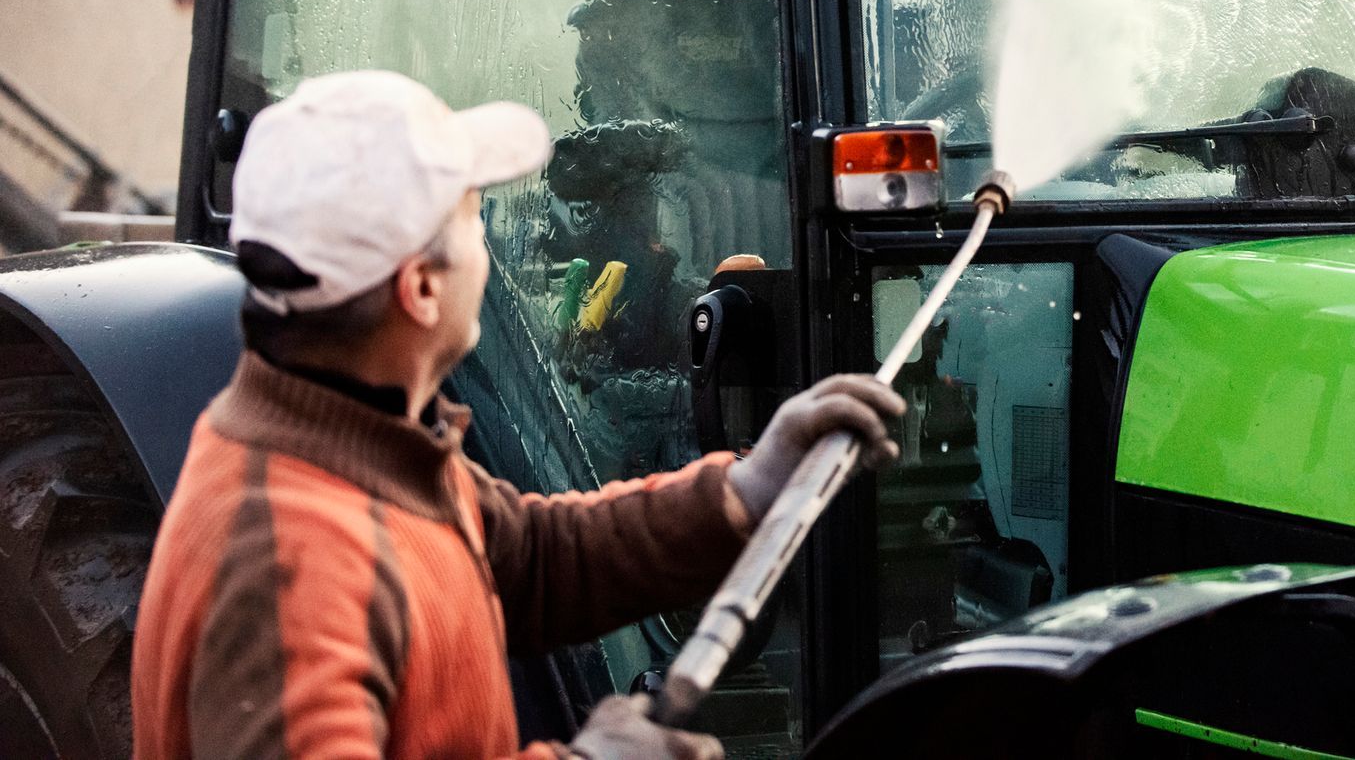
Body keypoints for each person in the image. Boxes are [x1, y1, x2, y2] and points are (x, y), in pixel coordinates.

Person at [130, 71, 904, 759]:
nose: (492, 250)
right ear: (420, 289)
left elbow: (530, 559)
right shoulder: (286, 567)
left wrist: (745, 488)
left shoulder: (365, 440)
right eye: (473, 219)